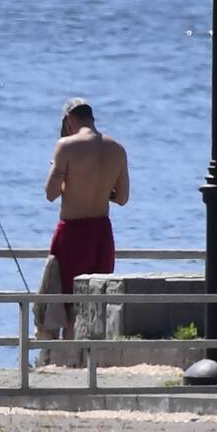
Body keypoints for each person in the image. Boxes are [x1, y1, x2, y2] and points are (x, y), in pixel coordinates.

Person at [43, 98, 130, 342]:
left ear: (69, 120)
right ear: (92, 118)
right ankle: (88, 363)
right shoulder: (117, 149)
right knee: (94, 304)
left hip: (72, 232)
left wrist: (60, 169)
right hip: (102, 233)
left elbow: (50, 193)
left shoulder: (66, 146)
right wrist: (99, 188)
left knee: (68, 305)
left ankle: (65, 361)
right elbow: (122, 198)